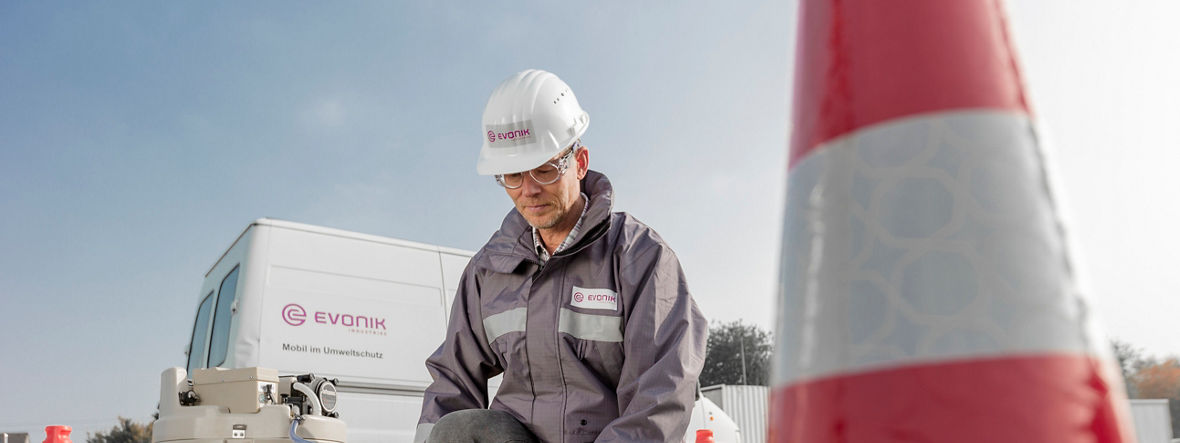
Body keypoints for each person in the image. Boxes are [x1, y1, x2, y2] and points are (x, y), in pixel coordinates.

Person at [414, 69, 707, 443]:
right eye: (512, 176)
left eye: (545, 170)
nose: (529, 190)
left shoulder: (640, 259)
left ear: (580, 162)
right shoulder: (488, 272)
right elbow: (451, 382)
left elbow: (660, 397)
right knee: (458, 429)